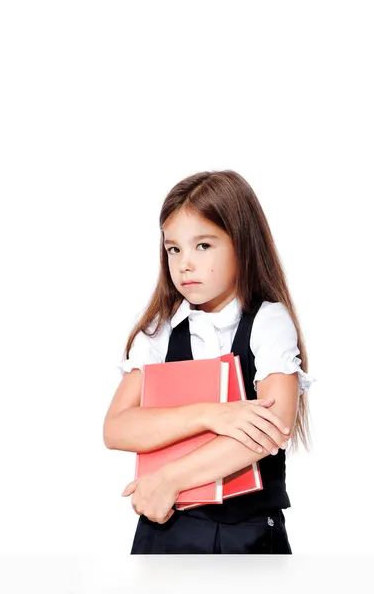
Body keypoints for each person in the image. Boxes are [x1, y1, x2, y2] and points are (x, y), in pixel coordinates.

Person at [103, 169, 316, 554]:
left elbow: (273, 428)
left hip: (247, 535)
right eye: (174, 249)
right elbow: (117, 428)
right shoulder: (161, 329)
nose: (185, 263)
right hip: (164, 531)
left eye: (203, 246)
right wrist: (211, 414)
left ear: (242, 244)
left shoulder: (267, 321)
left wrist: (170, 479)